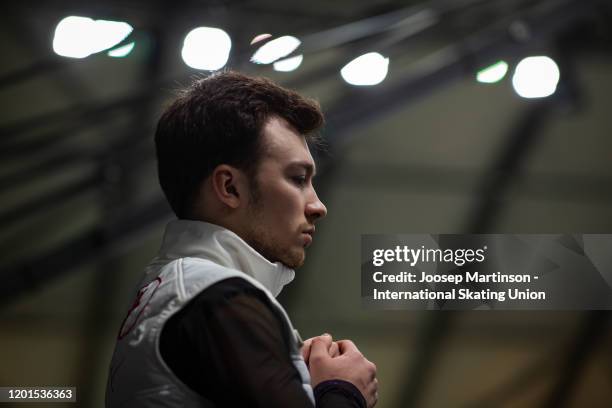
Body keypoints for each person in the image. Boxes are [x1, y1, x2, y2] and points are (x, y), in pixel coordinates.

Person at [105, 71, 378, 408]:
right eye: (297, 178)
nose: (317, 206)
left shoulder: (173, 289)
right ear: (230, 187)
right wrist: (343, 391)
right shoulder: (220, 297)